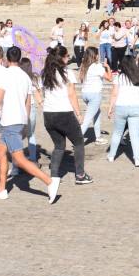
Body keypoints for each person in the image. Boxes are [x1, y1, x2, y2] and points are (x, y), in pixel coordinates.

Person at [0, 46, 59, 203]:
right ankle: (1, 189)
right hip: (18, 120)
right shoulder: (25, 77)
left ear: (7, 59)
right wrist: (25, 122)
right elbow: (28, 103)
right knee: (1, 152)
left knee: (19, 159)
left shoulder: (5, 74)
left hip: (10, 121)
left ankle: (49, 181)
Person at [40, 46, 91, 185]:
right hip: (64, 113)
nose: (69, 58)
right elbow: (72, 94)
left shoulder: (45, 73)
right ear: (61, 58)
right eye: (67, 56)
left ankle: (54, 176)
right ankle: (80, 175)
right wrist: (79, 114)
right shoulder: (67, 73)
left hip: (48, 114)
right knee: (79, 142)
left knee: (59, 145)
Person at [106, 54, 139, 166]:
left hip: (121, 106)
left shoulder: (119, 77)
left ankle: (112, 155)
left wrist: (110, 108)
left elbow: (114, 94)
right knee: (134, 135)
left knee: (117, 132)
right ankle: (137, 159)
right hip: (136, 107)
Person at [78, 46, 106, 144]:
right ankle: (77, 140)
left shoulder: (84, 65)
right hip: (94, 94)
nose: (99, 55)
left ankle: (98, 137)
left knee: (97, 114)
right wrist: (108, 68)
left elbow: (80, 79)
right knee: (87, 119)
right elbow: (110, 78)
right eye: (97, 54)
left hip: (85, 93)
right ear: (94, 56)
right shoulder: (97, 66)